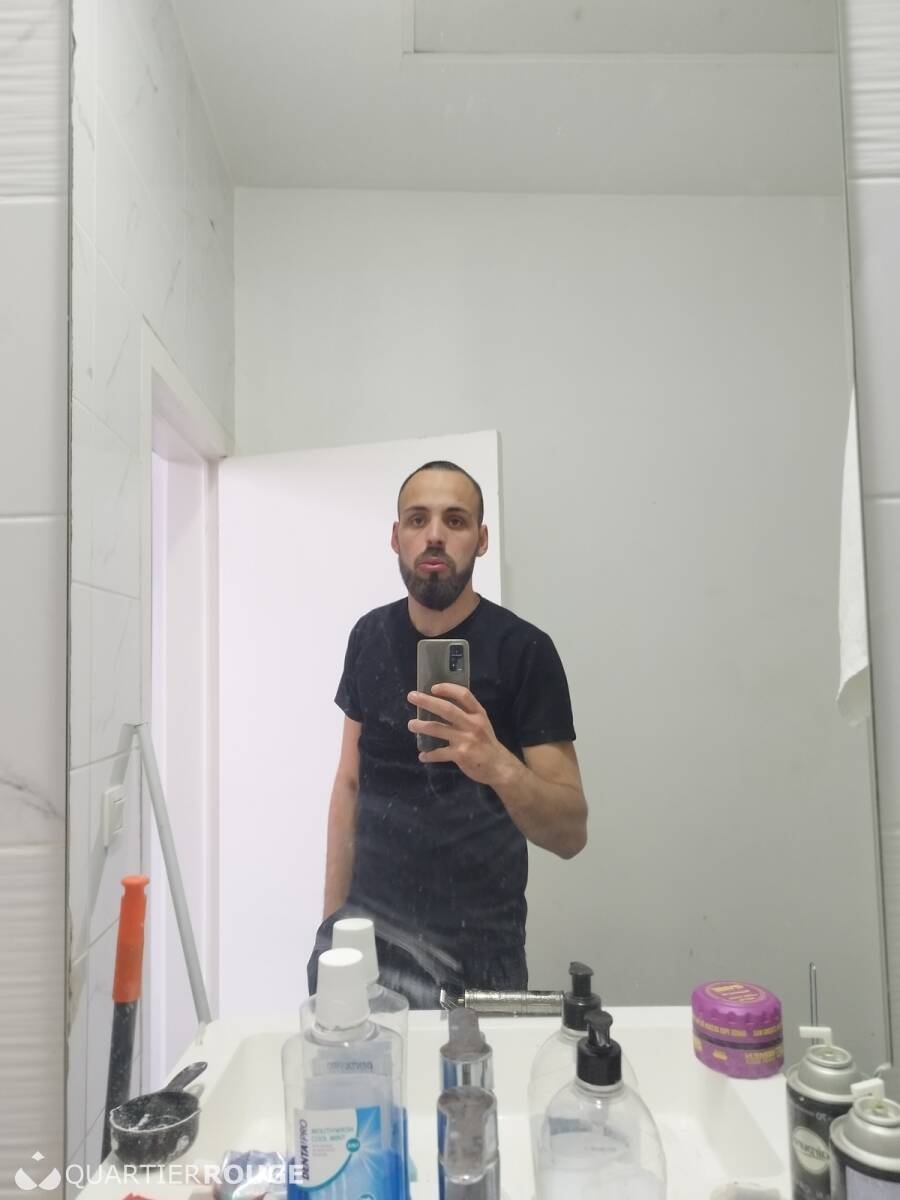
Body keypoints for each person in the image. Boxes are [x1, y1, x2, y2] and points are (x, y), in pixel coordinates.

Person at [308, 460, 587, 1006]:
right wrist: (330, 930)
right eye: (418, 519)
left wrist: (496, 763)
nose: (434, 534)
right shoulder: (368, 636)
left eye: (455, 520)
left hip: (479, 957)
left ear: (481, 540)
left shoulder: (526, 651)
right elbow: (349, 784)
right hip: (366, 942)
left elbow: (570, 832)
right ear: (396, 537)